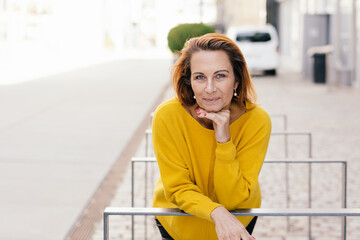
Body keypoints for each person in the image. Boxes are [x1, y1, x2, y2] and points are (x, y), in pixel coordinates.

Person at [152, 33, 272, 240]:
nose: (209, 89)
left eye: (220, 76)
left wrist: (224, 139)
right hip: (178, 223)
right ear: (189, 81)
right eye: (200, 77)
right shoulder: (167, 115)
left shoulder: (257, 121)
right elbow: (178, 187)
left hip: (237, 219)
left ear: (236, 81)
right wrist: (216, 212)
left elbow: (234, 198)